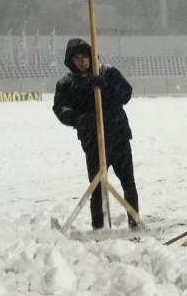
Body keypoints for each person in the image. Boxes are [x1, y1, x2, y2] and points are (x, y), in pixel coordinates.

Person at [52, 38, 139, 230]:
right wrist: (79, 119)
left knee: (128, 183)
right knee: (97, 186)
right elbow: (60, 109)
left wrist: (105, 86)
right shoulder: (67, 84)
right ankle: (98, 227)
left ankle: (135, 223)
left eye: (85, 57)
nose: (82, 62)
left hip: (118, 137)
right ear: (71, 61)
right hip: (92, 141)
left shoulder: (109, 73)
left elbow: (126, 94)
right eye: (77, 59)